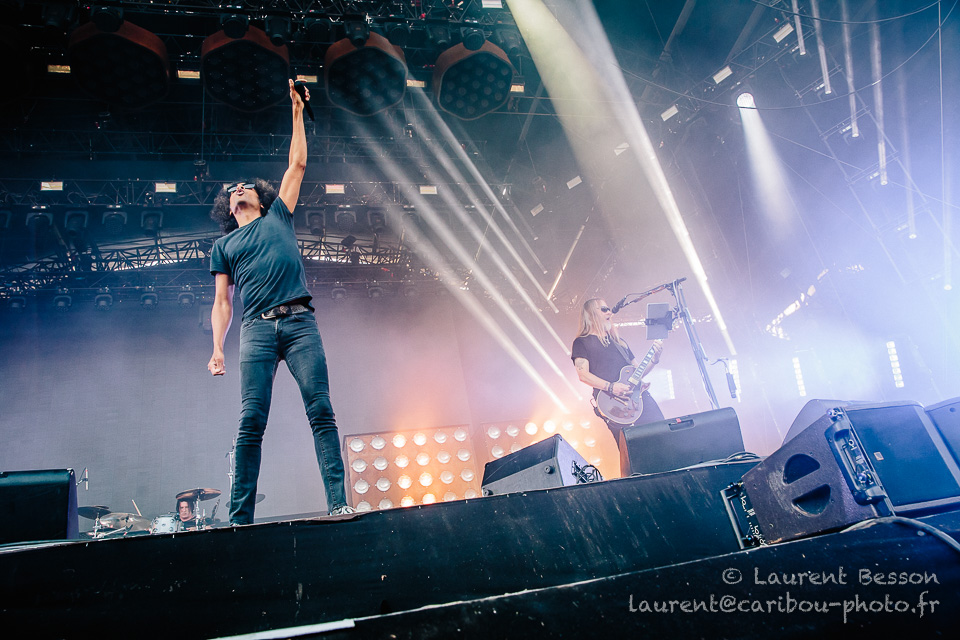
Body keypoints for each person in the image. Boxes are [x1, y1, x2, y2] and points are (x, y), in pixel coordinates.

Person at [207, 79, 352, 524]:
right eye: (232, 189)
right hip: (255, 330)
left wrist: (296, 110)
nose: (238, 189)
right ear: (227, 206)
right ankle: (239, 520)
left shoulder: (278, 216)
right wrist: (216, 348)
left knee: (321, 410)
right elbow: (222, 302)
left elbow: (298, 163)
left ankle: (338, 504)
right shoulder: (223, 246)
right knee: (251, 421)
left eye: (245, 186)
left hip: (300, 324)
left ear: (259, 197)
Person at [571, 298, 665, 448]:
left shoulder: (619, 342)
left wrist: (655, 359)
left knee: (663, 436)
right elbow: (583, 375)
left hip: (640, 399)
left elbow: (638, 372)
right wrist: (611, 387)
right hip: (614, 404)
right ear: (591, 314)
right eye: (604, 309)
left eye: (609, 309)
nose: (609, 312)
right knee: (633, 449)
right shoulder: (582, 342)